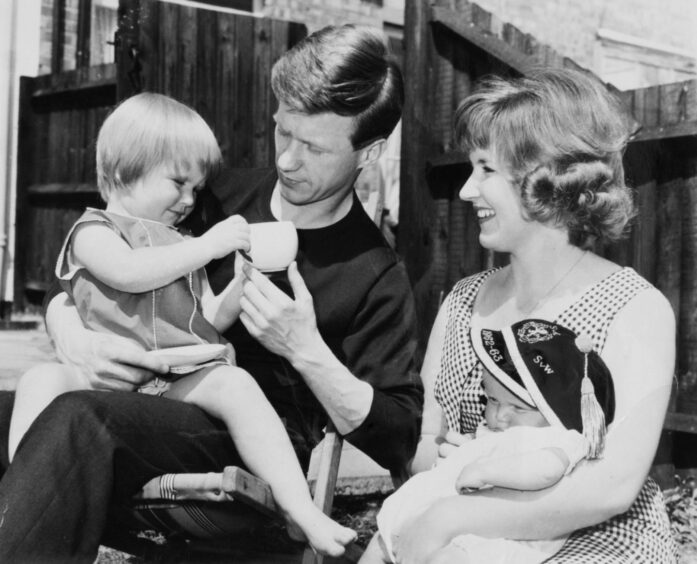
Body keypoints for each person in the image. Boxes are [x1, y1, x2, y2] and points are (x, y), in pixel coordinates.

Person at [0, 24, 422, 563]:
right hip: (138, 399)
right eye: (282, 132)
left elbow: (399, 435)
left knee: (79, 419)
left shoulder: (373, 272)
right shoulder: (213, 197)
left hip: (244, 442)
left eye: (313, 147)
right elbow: (101, 261)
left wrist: (306, 349)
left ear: (371, 151)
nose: (287, 160)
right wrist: (71, 335)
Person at [371, 68, 676, 564]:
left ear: (548, 180)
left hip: (591, 541)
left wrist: (453, 515)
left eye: (486, 170)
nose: (468, 191)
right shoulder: (462, 302)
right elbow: (424, 441)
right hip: (461, 532)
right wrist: (448, 468)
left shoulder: (634, 309)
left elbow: (612, 487)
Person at [364, 319, 616, 563]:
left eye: (518, 408)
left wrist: (485, 471)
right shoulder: (499, 432)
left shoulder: (557, 439)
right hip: (441, 517)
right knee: (379, 543)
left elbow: (546, 470)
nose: (499, 416)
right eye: (492, 400)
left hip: (492, 533)